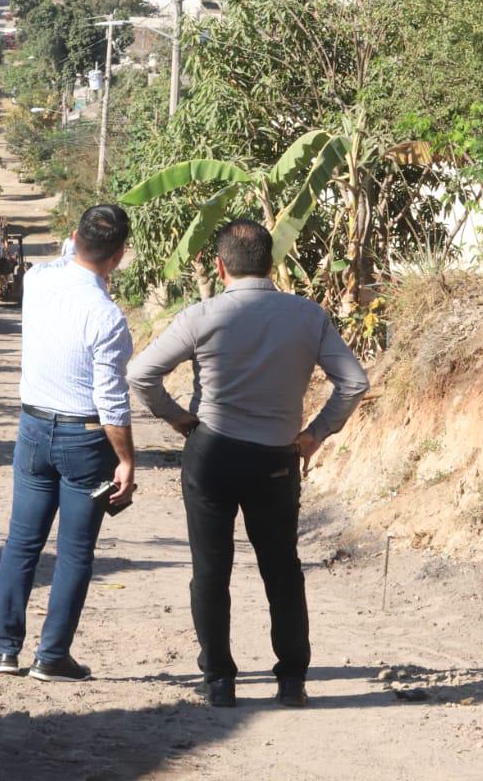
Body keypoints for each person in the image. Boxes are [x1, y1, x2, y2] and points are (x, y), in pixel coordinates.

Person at [128, 219, 369, 710]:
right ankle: (292, 681)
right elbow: (354, 382)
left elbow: (140, 373)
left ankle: (219, 680)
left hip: (212, 453)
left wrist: (178, 418)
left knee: (210, 569)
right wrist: (316, 433)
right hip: (276, 459)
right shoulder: (307, 316)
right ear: (271, 263)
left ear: (220, 267)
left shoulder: (201, 316)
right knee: (282, 570)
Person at [0, 204, 135, 683]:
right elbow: (111, 402)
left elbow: (65, 257)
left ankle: (4, 651)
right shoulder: (107, 317)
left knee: (22, 542)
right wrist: (126, 460)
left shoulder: (37, 281)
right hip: (85, 439)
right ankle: (51, 656)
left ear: (74, 237)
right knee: (74, 551)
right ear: (119, 256)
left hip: (32, 427)